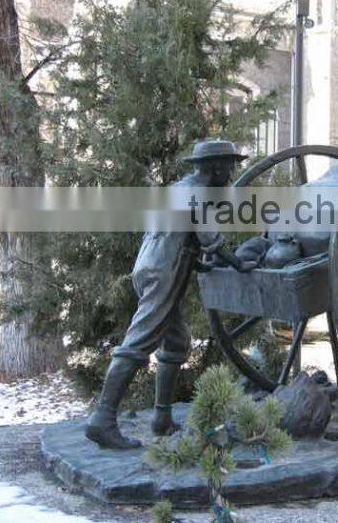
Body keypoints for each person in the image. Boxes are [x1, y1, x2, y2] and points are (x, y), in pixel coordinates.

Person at [85, 140, 254, 450]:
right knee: (137, 344)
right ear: (216, 167)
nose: (231, 173)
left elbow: (177, 236)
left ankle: (161, 418)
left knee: (176, 342)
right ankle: (102, 419)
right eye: (230, 166)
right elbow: (210, 238)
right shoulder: (197, 193)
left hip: (149, 267)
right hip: (164, 273)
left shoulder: (178, 189)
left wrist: (199, 263)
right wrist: (239, 263)